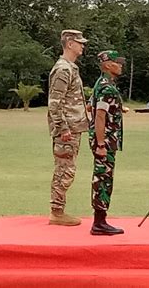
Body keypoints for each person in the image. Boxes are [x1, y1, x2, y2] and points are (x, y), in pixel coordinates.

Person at [47, 29, 89, 226]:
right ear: (70, 44)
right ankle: (57, 212)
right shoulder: (63, 69)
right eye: (79, 42)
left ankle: (58, 210)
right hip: (67, 130)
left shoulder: (70, 68)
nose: (83, 45)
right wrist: (63, 128)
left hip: (73, 127)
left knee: (67, 168)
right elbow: (55, 103)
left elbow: (72, 100)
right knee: (65, 170)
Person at [88, 50, 128, 235]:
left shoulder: (101, 83)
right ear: (107, 65)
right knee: (103, 179)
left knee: (102, 177)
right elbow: (99, 116)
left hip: (104, 139)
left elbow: (93, 106)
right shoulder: (107, 88)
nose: (120, 66)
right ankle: (99, 222)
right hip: (105, 141)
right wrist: (101, 144)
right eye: (117, 62)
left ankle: (100, 220)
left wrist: (119, 109)